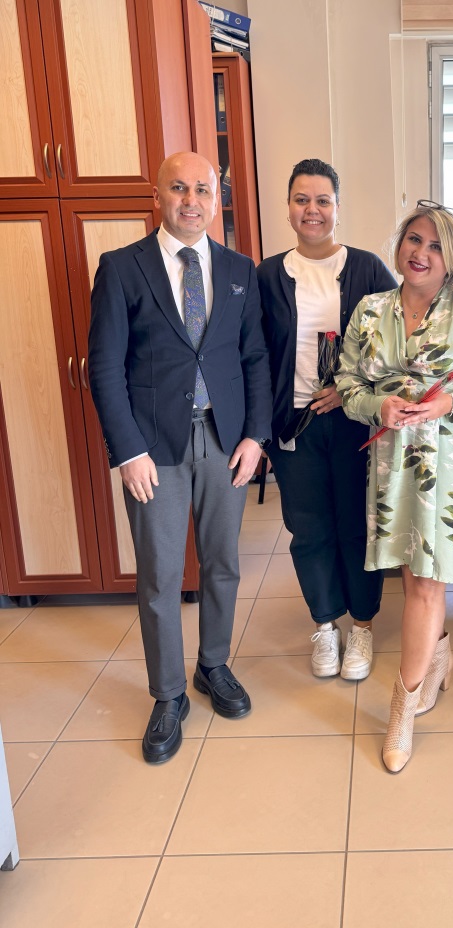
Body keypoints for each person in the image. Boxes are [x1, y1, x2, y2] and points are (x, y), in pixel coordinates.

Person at [88, 151, 272, 764]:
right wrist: (127, 451)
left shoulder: (240, 270)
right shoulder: (121, 268)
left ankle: (213, 665)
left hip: (225, 441)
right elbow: (106, 368)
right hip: (153, 449)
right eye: (178, 188)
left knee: (223, 564)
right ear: (158, 196)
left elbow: (254, 359)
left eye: (203, 189)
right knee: (161, 575)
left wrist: (255, 437)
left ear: (216, 199)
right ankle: (168, 694)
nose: (191, 200)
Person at [337, 201, 453, 772]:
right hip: (392, 461)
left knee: (425, 585)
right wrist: (377, 405)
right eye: (414, 239)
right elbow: (347, 383)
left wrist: (450, 402)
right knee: (412, 574)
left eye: (436, 245)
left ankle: (402, 708)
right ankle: (438, 658)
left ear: (452, 258)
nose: (421, 253)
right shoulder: (370, 311)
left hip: (451, 463)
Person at [257, 158, 396, 680]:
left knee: (358, 526)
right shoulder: (267, 275)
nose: (311, 210)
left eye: (322, 200)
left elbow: (394, 343)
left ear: (338, 208)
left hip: (356, 422)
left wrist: (349, 388)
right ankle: (324, 625)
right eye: (302, 200)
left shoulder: (367, 268)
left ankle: (361, 626)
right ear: (288, 208)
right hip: (293, 423)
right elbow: (254, 353)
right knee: (308, 528)